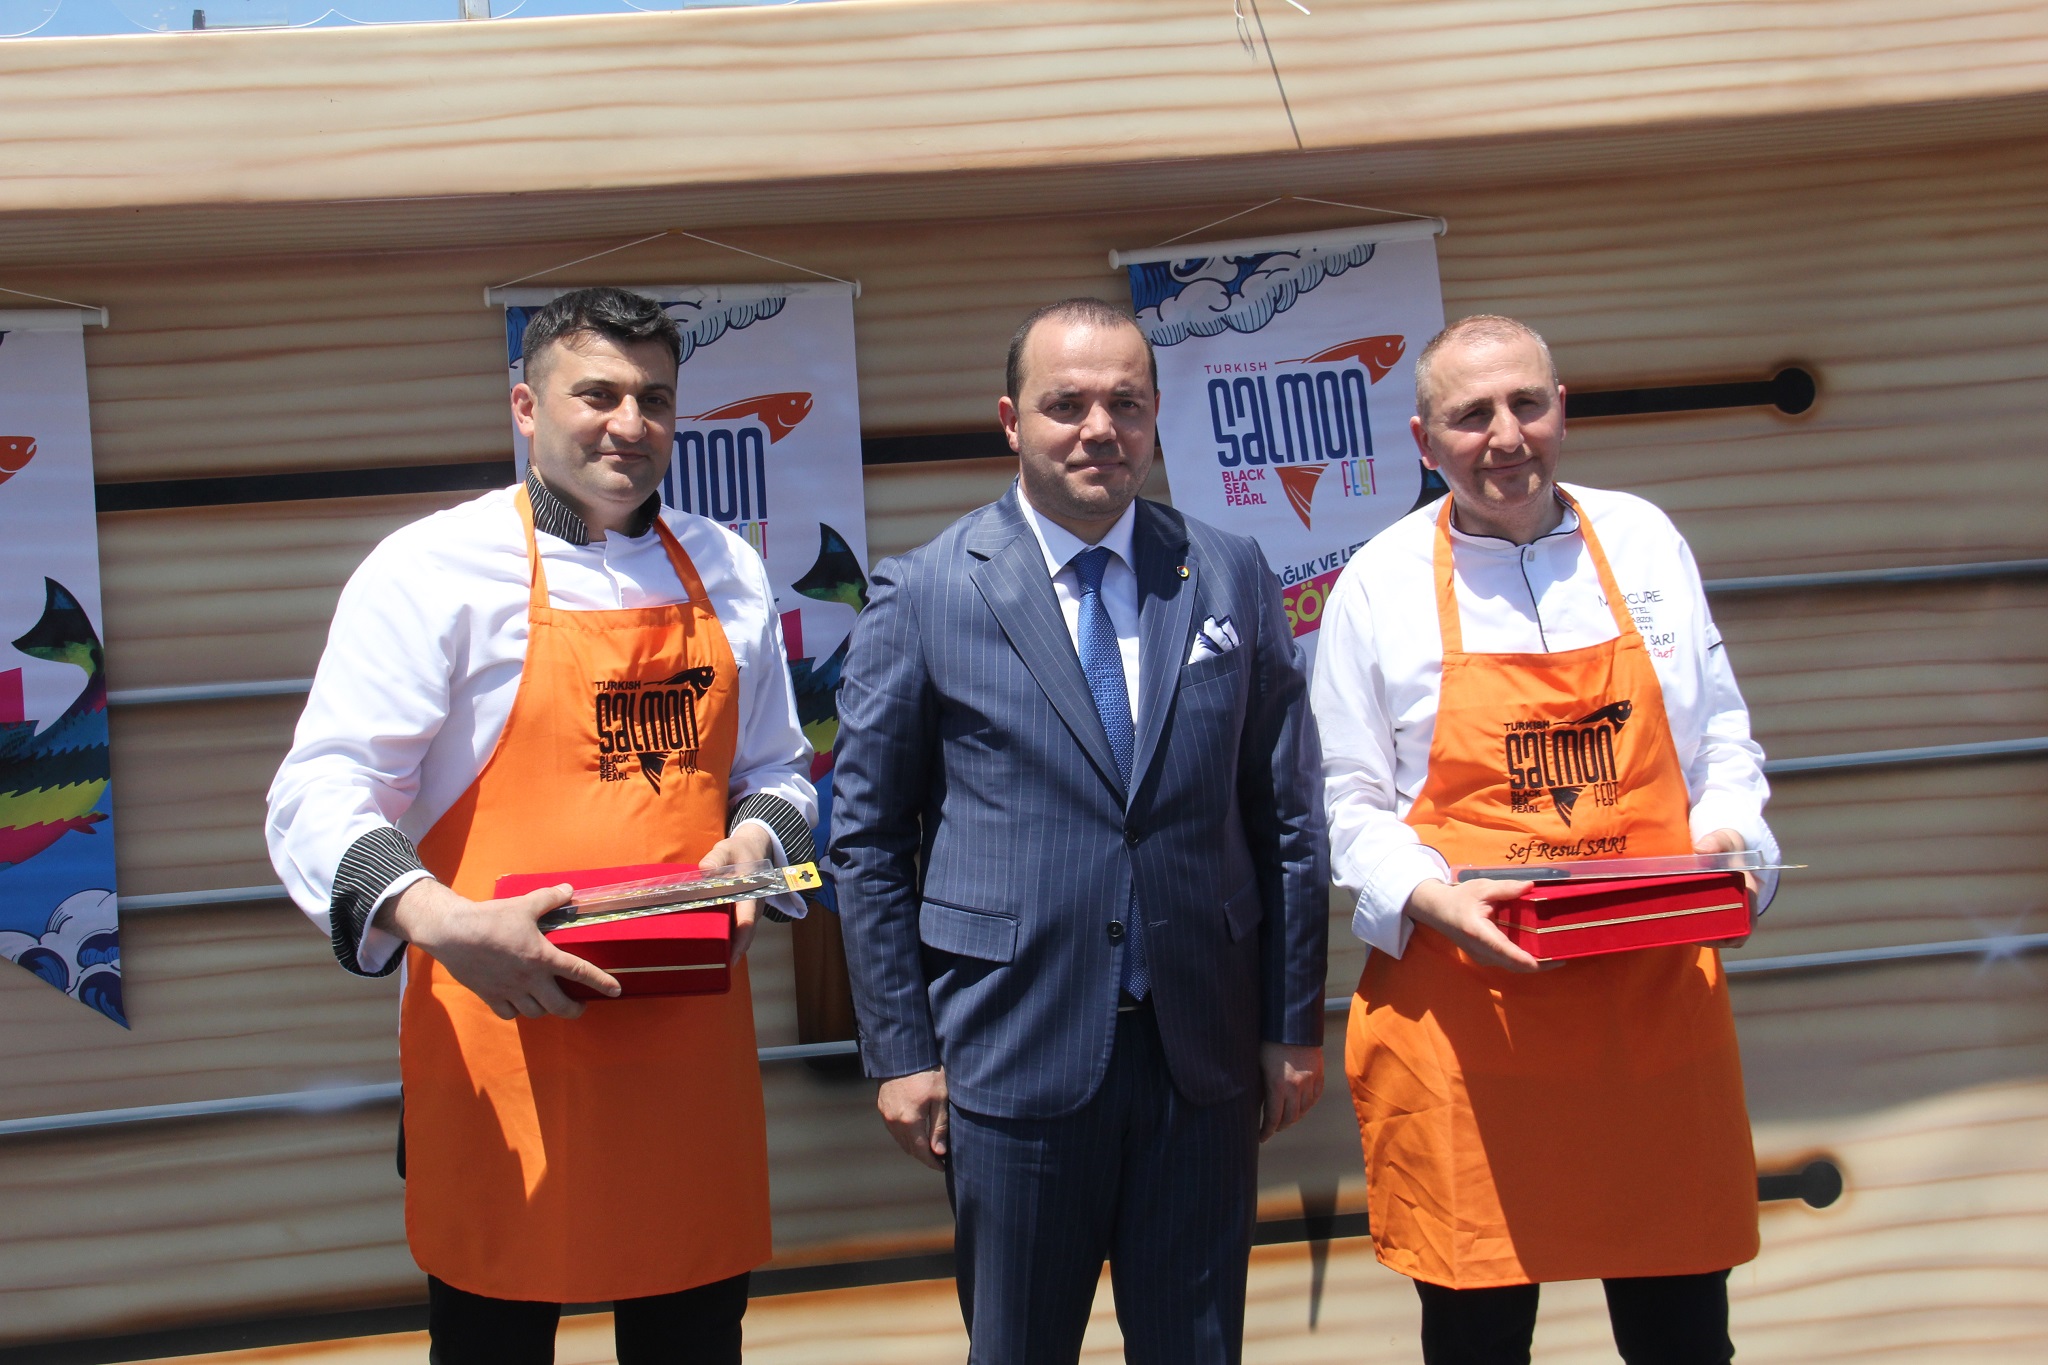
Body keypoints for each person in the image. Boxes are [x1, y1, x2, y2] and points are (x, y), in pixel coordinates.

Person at [265, 287, 816, 1365]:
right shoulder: (430, 570)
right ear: (525, 406)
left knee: (693, 1340)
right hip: (502, 1041)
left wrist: (756, 851)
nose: (629, 424)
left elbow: (779, 772)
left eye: (654, 398)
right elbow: (319, 789)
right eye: (597, 394)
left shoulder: (729, 567)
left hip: (685, 1054)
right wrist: (440, 920)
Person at [830, 297, 1329, 1365]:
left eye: (1125, 404)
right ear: (1011, 420)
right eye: (1067, 404)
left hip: (1202, 1053)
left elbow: (1284, 812)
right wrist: (901, 1050)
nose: (1099, 428)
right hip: (1012, 1054)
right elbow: (865, 841)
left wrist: (1292, 1020)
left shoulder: (1230, 571)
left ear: (1153, 418)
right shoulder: (924, 593)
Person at [1312, 314, 1780, 1365]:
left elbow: (1721, 744)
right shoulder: (1377, 584)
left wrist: (1733, 846)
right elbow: (1345, 799)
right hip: (1472, 1035)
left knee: (1682, 1342)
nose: (1505, 436)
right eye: (1470, 415)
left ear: (1561, 408)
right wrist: (1431, 898)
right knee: (1477, 1344)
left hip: (1653, 1017)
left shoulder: (1644, 541)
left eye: (1526, 403)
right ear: (1423, 439)